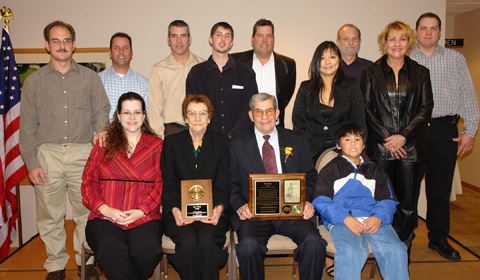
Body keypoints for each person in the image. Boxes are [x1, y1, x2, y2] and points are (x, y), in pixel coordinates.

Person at [19, 20, 109, 280]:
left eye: (67, 40)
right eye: (56, 41)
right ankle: (56, 267)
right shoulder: (35, 82)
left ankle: (86, 261)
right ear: (46, 45)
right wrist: (31, 162)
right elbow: (27, 126)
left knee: (86, 212)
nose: (62, 45)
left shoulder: (90, 77)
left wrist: (101, 129)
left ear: (74, 44)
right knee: (50, 215)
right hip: (48, 155)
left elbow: (102, 109)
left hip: (83, 153)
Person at [230, 92, 326, 280]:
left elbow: (311, 176)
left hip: (292, 211)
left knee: (314, 243)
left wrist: (307, 202)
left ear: (277, 113)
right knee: (248, 247)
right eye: (258, 111)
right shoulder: (236, 145)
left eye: (268, 111)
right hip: (255, 214)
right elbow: (230, 183)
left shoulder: (297, 140)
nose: (264, 116)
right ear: (251, 116)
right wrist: (240, 205)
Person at [361, 20, 433, 256]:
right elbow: (367, 108)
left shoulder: (421, 73)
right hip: (381, 150)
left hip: (411, 150)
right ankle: (381, 252)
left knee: (407, 205)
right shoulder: (371, 73)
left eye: (402, 38)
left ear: (409, 42)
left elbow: (425, 108)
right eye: (392, 38)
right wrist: (388, 139)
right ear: (385, 42)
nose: (397, 43)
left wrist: (402, 137)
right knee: (380, 203)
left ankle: (402, 254)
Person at [411, 12, 479, 261]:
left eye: (433, 28)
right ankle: (404, 239)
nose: (428, 32)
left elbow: (469, 97)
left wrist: (469, 132)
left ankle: (438, 238)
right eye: (424, 28)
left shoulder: (456, 59)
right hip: (413, 132)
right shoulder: (406, 58)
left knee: (439, 190)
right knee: (407, 189)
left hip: (444, 130)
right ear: (416, 30)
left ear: (440, 32)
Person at [82, 92, 163, 280]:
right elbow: (88, 181)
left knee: (147, 252)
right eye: (126, 112)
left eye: (137, 112)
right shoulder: (104, 143)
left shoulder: (157, 145)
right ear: (118, 116)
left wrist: (141, 210)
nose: (132, 118)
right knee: (111, 250)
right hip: (105, 216)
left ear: (144, 115)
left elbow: (161, 183)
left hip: (144, 216)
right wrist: (105, 209)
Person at [313, 123, 408, 280]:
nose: (352, 143)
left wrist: (378, 217)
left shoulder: (375, 171)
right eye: (347, 139)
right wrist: (345, 218)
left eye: (357, 139)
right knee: (352, 251)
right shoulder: (330, 170)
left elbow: (389, 200)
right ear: (338, 145)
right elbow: (321, 200)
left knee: (396, 250)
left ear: (363, 145)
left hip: (373, 219)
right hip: (342, 221)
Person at [161, 95, 230, 280]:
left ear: (210, 117)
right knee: (189, 242)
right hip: (179, 212)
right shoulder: (171, 143)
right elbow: (168, 183)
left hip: (212, 213)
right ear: (185, 118)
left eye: (202, 114)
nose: (197, 118)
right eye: (192, 113)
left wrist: (219, 209)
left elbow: (224, 183)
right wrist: (175, 210)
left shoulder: (222, 143)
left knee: (207, 242)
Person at [293, 41, 365, 162]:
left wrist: (355, 150)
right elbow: (298, 123)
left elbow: (359, 122)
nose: (327, 62)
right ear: (316, 61)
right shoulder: (306, 87)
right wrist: (303, 149)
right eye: (322, 58)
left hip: (343, 151)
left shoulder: (351, 86)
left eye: (332, 57)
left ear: (339, 60)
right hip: (311, 152)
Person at [186, 21, 258, 139]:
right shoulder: (197, 73)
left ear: (231, 43)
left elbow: (250, 108)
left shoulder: (246, 72)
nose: (223, 39)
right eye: (219, 35)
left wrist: (232, 135)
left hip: (239, 140)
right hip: (206, 140)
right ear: (210, 39)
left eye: (227, 36)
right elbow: (192, 110)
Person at [232, 18, 296, 127]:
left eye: (269, 36)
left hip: (274, 127)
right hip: (243, 128)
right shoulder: (235, 61)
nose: (264, 40)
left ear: (274, 39)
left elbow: (285, 97)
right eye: (260, 35)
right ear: (252, 40)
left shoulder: (288, 64)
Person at [148, 20, 204, 138]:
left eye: (183, 36)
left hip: (201, 129)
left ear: (189, 39)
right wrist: (159, 138)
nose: (179, 41)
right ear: (168, 40)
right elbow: (154, 109)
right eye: (174, 36)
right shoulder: (158, 69)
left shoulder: (204, 65)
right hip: (172, 131)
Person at [99, 32, 148, 120]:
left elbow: (147, 117)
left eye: (125, 48)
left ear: (131, 53)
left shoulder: (144, 84)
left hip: (135, 133)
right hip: (105, 133)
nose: (121, 52)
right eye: (116, 48)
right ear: (110, 53)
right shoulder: (97, 81)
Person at [336, 23, 373, 89]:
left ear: (360, 41)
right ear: (338, 42)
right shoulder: (329, 68)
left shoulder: (370, 68)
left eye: (354, 38)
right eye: (346, 39)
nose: (351, 43)